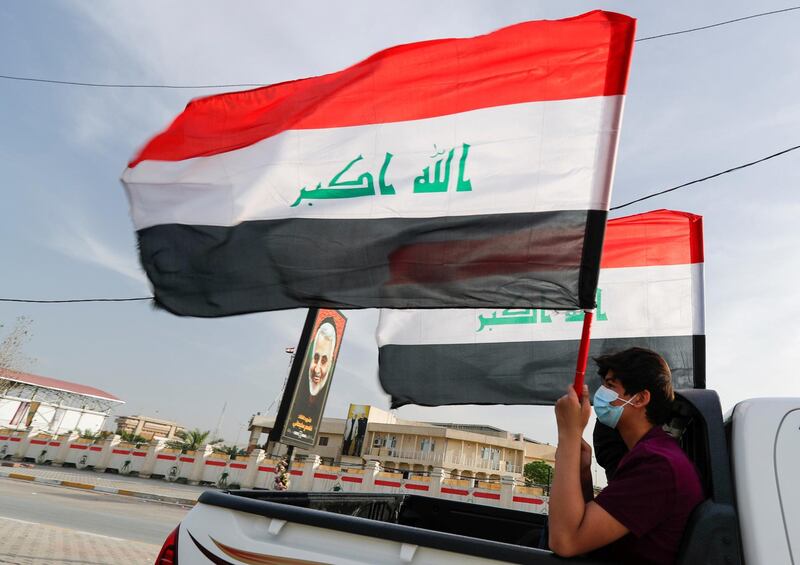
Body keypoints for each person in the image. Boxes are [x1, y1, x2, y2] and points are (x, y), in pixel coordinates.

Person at [548, 347, 704, 565]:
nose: (601, 394)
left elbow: (566, 541)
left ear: (640, 398)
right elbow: (586, 533)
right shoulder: (649, 454)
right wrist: (582, 472)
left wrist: (568, 434)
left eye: (611, 386)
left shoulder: (657, 465)